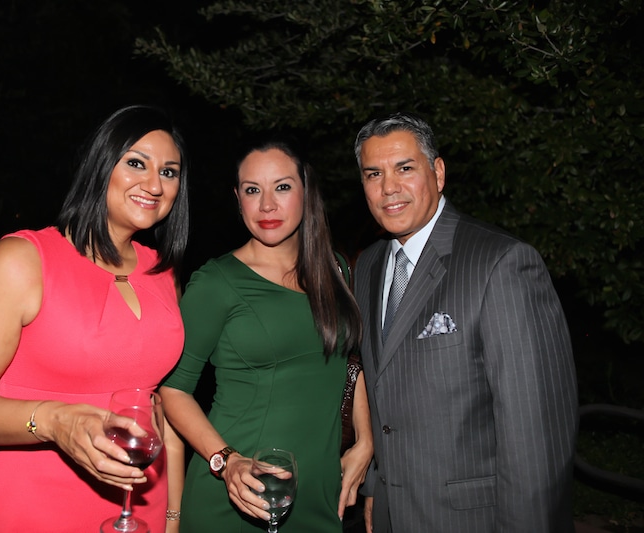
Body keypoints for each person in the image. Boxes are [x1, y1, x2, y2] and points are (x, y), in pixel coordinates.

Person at [0, 105, 189, 533]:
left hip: (139, 501)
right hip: (34, 504)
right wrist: (54, 420)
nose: (154, 184)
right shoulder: (21, 261)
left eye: (170, 172)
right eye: (136, 163)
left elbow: (162, 406)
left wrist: (173, 515)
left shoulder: (163, 273)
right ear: (100, 165)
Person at [352, 112, 578, 532]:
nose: (389, 188)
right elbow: (382, 389)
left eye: (405, 168)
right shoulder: (367, 266)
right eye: (373, 174)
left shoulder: (501, 263)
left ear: (437, 172)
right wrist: (374, 489)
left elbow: (536, 437)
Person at [160, 140, 373, 532]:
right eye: (252, 190)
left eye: (283, 187)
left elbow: (348, 360)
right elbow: (173, 389)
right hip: (240, 496)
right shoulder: (216, 282)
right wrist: (227, 461)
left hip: (320, 494)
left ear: (307, 192)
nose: (267, 205)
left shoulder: (336, 270)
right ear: (238, 199)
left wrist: (366, 438)